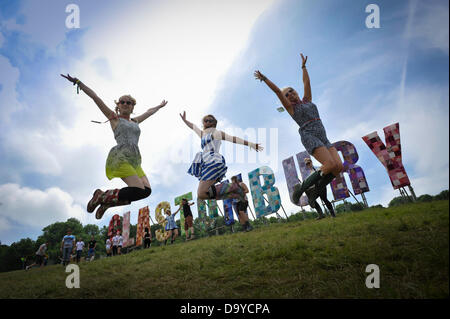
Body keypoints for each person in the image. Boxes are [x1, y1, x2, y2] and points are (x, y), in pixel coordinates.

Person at [61, 74, 168, 219]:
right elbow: (96, 98)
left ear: (132, 107)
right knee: (137, 189)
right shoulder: (114, 118)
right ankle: (102, 196)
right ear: (118, 105)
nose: (125, 104)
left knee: (146, 191)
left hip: (135, 160)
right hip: (121, 157)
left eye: (128, 102)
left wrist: (159, 107)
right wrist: (79, 82)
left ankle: (108, 203)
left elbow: (149, 112)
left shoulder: (135, 121)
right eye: (122, 102)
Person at [254, 53, 343, 205]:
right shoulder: (291, 109)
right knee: (329, 165)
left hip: (323, 136)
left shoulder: (307, 101)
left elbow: (306, 83)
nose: (290, 95)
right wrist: (265, 79)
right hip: (309, 135)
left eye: (292, 91)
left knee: (338, 167)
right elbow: (277, 92)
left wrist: (303, 67)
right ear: (286, 100)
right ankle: (300, 190)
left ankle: (314, 192)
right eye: (287, 95)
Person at [180, 112, 263, 202]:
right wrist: (185, 120)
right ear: (203, 123)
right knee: (202, 194)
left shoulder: (217, 133)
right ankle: (234, 193)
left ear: (214, 123)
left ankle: (234, 187)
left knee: (201, 193)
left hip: (213, 161)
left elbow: (233, 139)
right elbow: (193, 126)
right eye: (205, 120)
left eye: (210, 120)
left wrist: (250, 144)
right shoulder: (202, 134)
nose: (207, 122)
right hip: (205, 163)